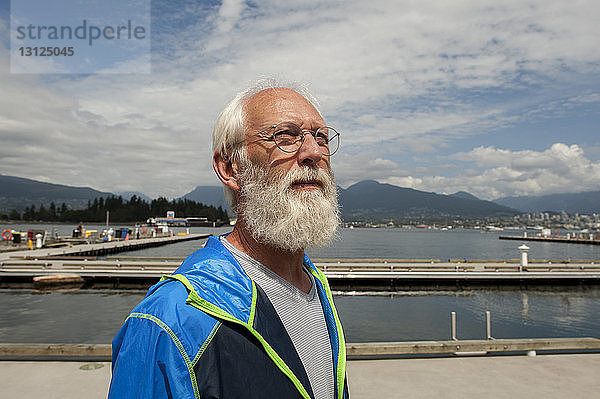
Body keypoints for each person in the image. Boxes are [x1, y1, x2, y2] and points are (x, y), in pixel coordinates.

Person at [109, 80, 348, 399]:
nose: (313, 152)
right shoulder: (168, 320)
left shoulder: (317, 286)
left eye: (321, 137)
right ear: (230, 168)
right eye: (286, 136)